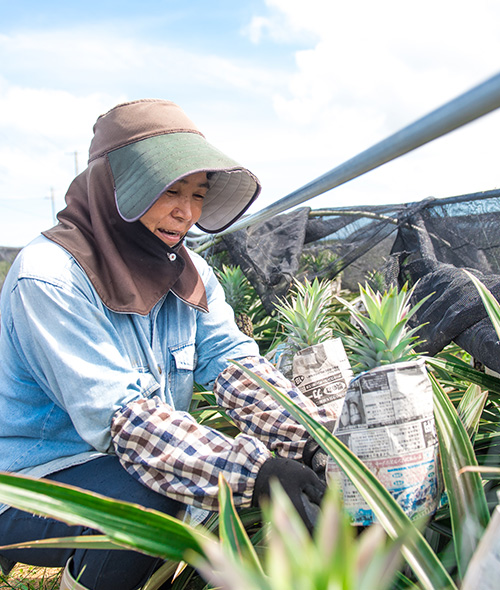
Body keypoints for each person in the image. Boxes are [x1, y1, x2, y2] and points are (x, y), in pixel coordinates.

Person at [0, 99, 335, 590]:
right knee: (152, 500)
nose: (187, 213)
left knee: (177, 485)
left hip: (117, 465)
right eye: (170, 190)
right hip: (30, 480)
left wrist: (317, 441)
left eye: (199, 194)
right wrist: (256, 474)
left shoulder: (187, 271)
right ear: (114, 190)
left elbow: (234, 365)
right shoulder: (49, 281)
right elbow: (126, 421)